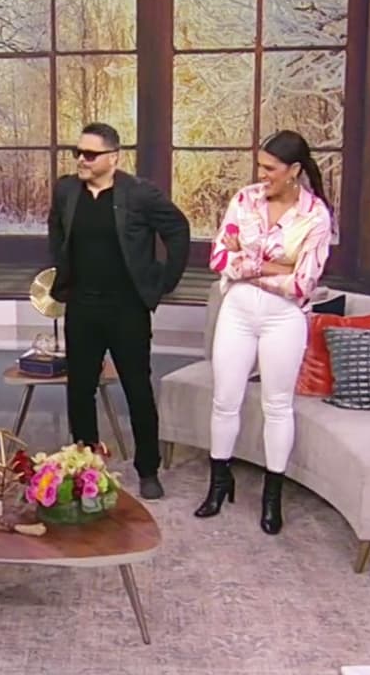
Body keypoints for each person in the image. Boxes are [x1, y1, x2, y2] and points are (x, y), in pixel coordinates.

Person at [199, 129, 334, 535]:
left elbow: (302, 284)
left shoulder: (315, 215)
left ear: (294, 170)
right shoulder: (245, 200)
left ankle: (272, 498)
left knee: (277, 406)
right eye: (260, 166)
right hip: (237, 312)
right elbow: (218, 259)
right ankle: (219, 483)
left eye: (270, 168)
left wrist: (246, 263)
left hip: (283, 320)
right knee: (225, 400)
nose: (261, 174)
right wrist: (275, 266)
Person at [47, 122, 190, 501]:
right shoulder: (66, 191)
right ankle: (86, 467)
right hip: (82, 307)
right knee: (80, 390)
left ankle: (148, 469)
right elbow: (56, 230)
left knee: (137, 389)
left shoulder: (139, 194)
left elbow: (178, 229)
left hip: (127, 309)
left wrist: (163, 281)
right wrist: (63, 271)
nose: (81, 159)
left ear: (113, 158)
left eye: (90, 154)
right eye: (78, 152)